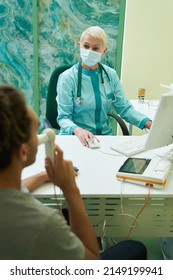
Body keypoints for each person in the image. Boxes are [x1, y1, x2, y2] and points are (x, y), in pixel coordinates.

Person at [0, 84, 147, 260]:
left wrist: (43, 176)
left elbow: (12, 190)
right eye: (34, 132)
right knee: (134, 248)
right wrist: (70, 189)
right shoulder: (44, 224)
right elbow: (91, 263)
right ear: (22, 151)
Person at [56, 26, 152, 147]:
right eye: (86, 46)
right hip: (76, 138)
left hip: (104, 138)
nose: (90, 51)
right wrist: (78, 131)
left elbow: (125, 109)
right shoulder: (68, 78)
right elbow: (63, 118)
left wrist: (150, 124)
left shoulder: (110, 75)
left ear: (104, 51)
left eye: (96, 48)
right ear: (79, 46)